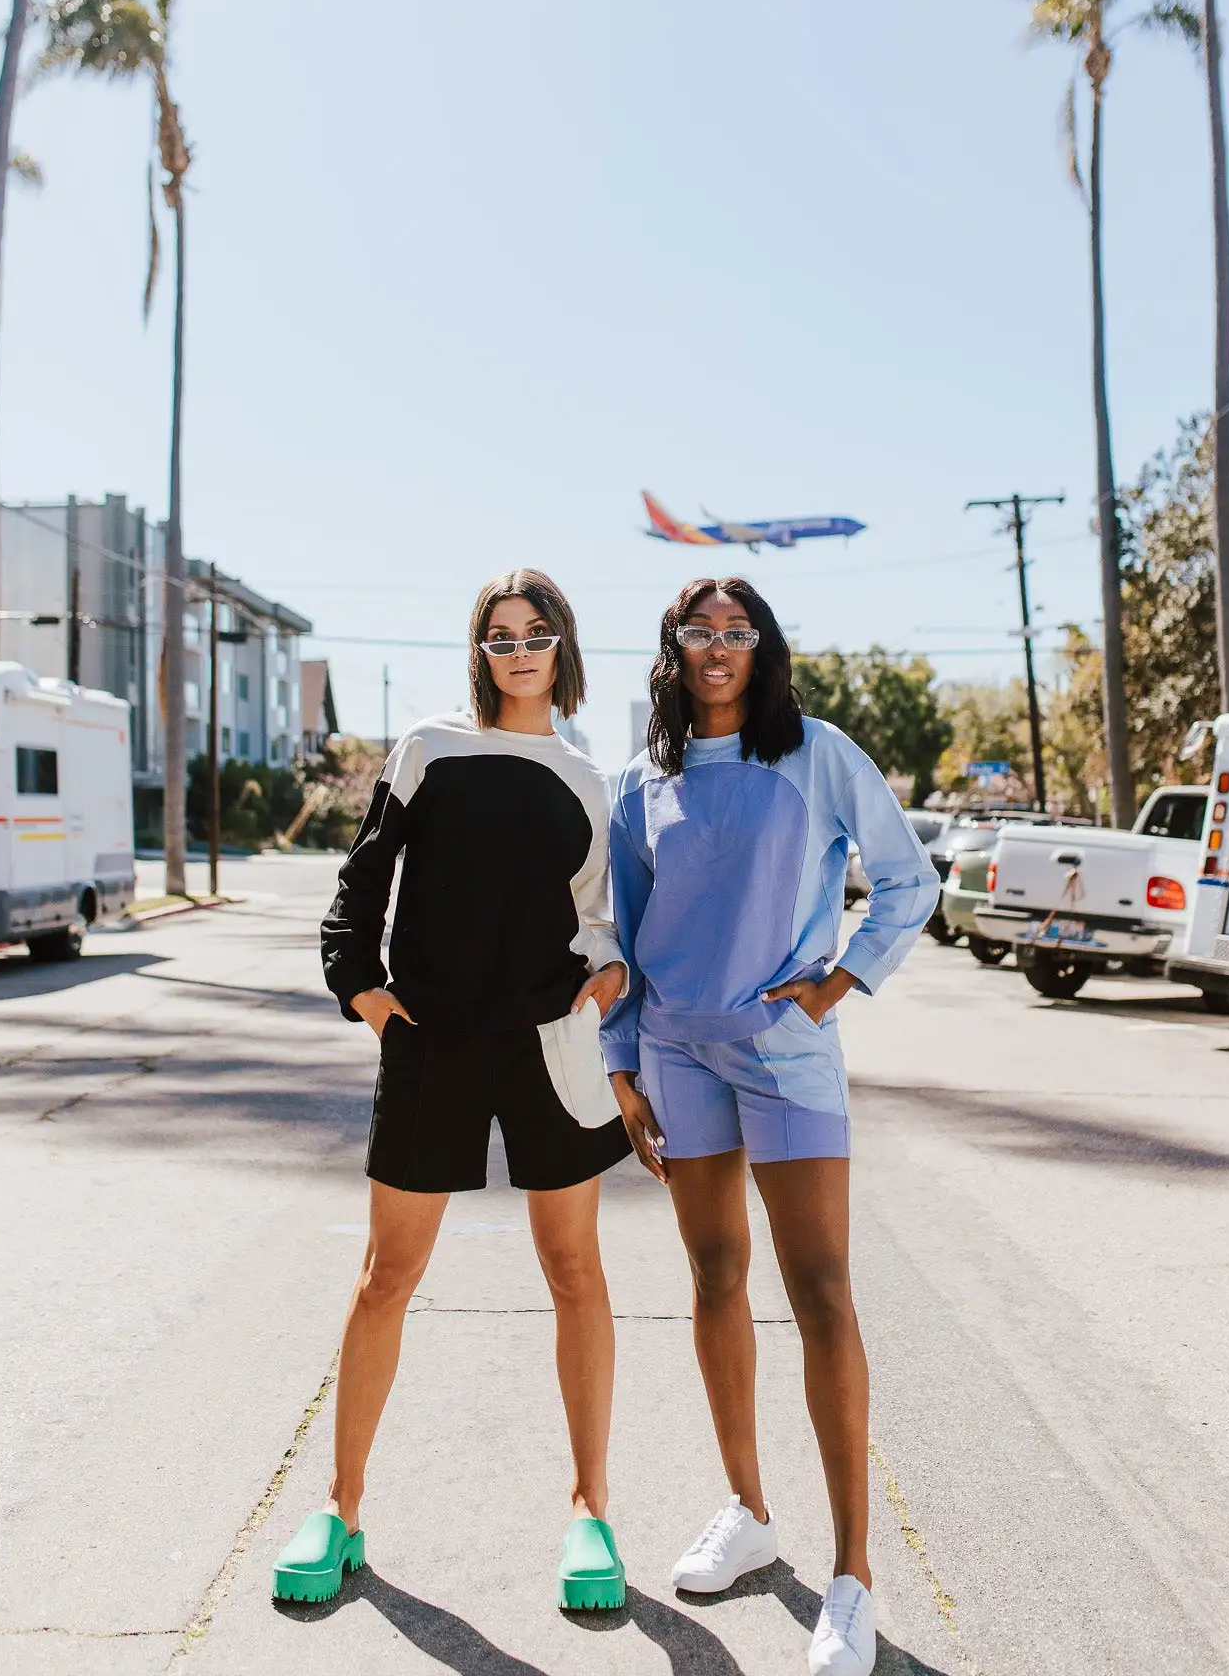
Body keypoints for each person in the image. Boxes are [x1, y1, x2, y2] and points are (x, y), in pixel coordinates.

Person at [272, 569, 632, 1613]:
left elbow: (594, 914)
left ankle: (589, 1510)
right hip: (431, 1042)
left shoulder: (583, 777)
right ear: (479, 652)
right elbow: (361, 881)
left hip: (545, 1045)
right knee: (387, 1274)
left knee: (575, 1271)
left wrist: (604, 972)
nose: (519, 650)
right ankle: (339, 1507)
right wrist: (365, 991)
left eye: (536, 632)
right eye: (500, 636)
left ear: (563, 644)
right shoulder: (429, 749)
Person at [601, 577, 938, 1676]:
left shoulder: (817, 752)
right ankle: (749, 1509)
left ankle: (852, 1577)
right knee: (712, 1278)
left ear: (764, 646)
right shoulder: (642, 781)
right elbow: (629, 935)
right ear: (673, 647)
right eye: (699, 630)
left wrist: (838, 985)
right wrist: (623, 1065)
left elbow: (908, 882)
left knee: (823, 1293)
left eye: (737, 631)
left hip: (785, 1054)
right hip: (680, 1053)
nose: (718, 646)